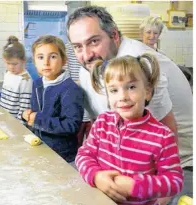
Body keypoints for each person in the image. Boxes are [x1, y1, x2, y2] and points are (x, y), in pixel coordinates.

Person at [67, 6, 192, 204]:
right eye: (77, 46)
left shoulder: (139, 65)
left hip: (181, 161)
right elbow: (95, 136)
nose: (86, 54)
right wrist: (97, 175)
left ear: (114, 35)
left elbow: (169, 130)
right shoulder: (90, 68)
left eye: (94, 41)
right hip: (120, 165)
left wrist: (161, 199)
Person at [76, 54, 183, 205]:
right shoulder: (102, 123)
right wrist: (96, 176)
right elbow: (83, 155)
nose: (123, 97)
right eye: (114, 90)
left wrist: (135, 186)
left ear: (147, 91)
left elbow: (174, 181)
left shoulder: (162, 136)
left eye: (131, 87)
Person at [22, 35, 84, 163]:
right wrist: (29, 116)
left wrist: (37, 119)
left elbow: (71, 126)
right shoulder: (37, 84)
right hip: (41, 148)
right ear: (34, 61)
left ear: (64, 60)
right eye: (40, 57)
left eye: (53, 56)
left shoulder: (70, 89)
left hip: (63, 156)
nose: (46, 62)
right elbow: (37, 113)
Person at [64, 42, 92, 148]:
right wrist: (85, 82)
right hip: (75, 112)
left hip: (93, 112)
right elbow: (66, 82)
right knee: (74, 147)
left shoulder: (95, 47)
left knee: (94, 148)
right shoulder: (67, 50)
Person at [0, 36, 32, 125]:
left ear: (24, 61)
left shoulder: (25, 80)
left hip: (16, 124)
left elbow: (24, 109)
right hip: (5, 120)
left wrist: (19, 126)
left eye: (14, 64)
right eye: (8, 63)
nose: (11, 67)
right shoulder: (8, 73)